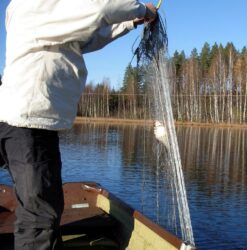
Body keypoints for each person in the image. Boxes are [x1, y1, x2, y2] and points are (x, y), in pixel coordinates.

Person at [0, 0, 157, 249]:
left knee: (36, 210)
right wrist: (141, 10)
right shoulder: (36, 4)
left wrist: (129, 22)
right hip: (29, 125)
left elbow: (87, 37)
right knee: (39, 221)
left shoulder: (39, 15)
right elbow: (100, 8)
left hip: (16, 121)